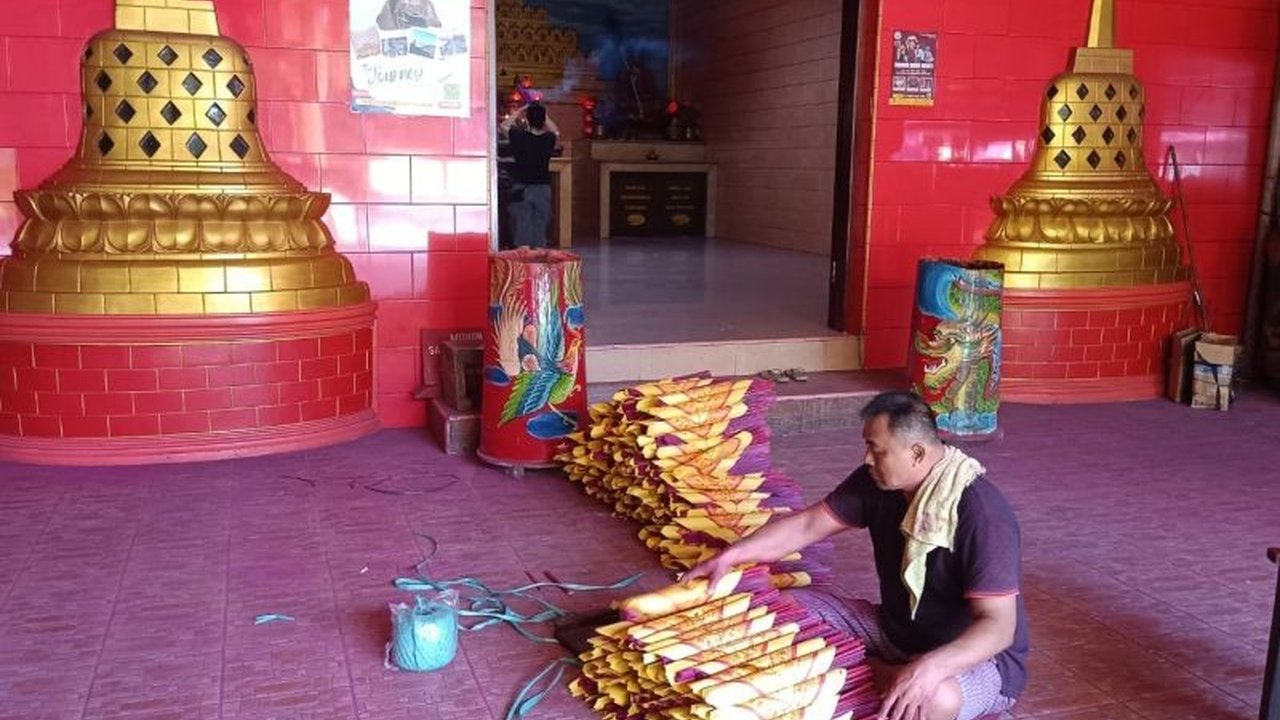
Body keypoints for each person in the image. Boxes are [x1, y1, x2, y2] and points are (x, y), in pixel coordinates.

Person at [684, 391, 1029, 720]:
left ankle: (884, 675)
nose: (867, 460)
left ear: (917, 454)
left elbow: (998, 628)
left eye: (876, 450)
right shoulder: (877, 482)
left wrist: (930, 668)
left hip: (973, 660)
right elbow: (807, 526)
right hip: (895, 634)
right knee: (785, 611)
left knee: (933, 699)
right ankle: (884, 675)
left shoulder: (981, 514)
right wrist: (731, 556)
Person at [501, 103, 559, 248]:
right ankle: (538, 258)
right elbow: (556, 131)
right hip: (542, 187)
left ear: (527, 119)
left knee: (522, 226)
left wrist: (520, 110)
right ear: (543, 120)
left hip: (521, 187)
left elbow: (504, 126)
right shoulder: (549, 138)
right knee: (540, 225)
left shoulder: (519, 137)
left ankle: (523, 262)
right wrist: (546, 117)